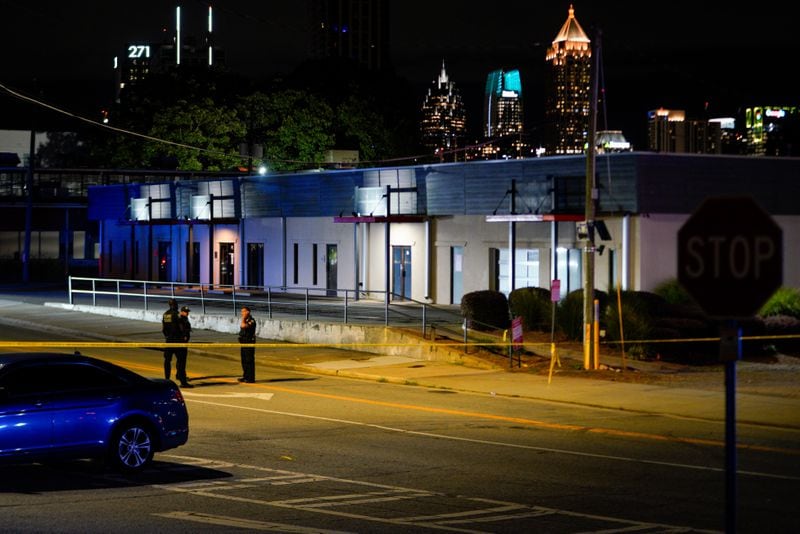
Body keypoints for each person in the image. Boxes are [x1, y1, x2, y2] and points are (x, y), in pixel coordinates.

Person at [162, 299, 192, 388]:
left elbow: (163, 328)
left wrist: (167, 336)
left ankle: (166, 380)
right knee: (181, 361)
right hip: (178, 340)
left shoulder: (165, 314)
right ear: (175, 305)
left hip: (169, 340)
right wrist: (184, 337)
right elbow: (182, 326)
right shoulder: (177, 314)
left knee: (167, 360)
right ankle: (183, 381)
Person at [237, 306, 257, 383]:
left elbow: (243, 326)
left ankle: (250, 378)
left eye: (244, 311)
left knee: (249, 360)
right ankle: (245, 376)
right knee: (244, 360)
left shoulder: (252, 320)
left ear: (248, 312)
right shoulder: (246, 320)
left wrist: (244, 318)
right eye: (242, 312)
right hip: (243, 342)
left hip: (249, 343)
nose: (242, 313)